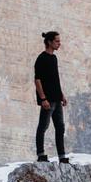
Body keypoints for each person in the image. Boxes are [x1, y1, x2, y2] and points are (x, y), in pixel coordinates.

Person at [34, 30, 69, 163]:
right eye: (57, 41)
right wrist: (43, 99)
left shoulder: (54, 58)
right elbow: (37, 80)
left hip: (56, 99)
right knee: (43, 126)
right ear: (49, 42)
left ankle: (62, 156)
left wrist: (62, 95)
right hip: (48, 100)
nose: (59, 44)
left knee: (60, 127)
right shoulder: (41, 58)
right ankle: (41, 154)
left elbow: (55, 79)